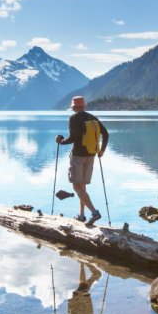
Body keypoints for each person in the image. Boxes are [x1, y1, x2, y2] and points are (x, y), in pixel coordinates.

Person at [55, 95, 108, 224]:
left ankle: (94, 213)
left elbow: (73, 138)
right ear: (84, 106)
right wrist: (102, 151)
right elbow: (105, 134)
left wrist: (61, 141)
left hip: (78, 156)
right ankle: (81, 215)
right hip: (91, 155)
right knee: (82, 188)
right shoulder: (92, 117)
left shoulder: (74, 118)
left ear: (73, 107)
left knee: (77, 187)